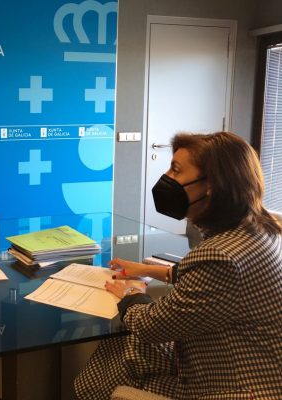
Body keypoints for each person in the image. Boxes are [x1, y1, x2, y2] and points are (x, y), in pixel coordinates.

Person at [75, 131, 282, 399]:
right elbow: (218, 286)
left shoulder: (221, 256)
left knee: (116, 357)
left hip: (234, 387)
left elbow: (151, 327)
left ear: (212, 185)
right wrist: (146, 270)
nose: (166, 177)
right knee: (121, 352)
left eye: (176, 170)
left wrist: (131, 294)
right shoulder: (262, 229)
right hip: (254, 368)